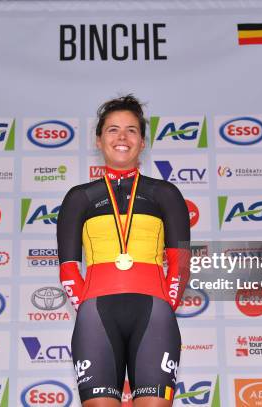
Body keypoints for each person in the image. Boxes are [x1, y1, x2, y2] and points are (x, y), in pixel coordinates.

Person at [57, 95, 190, 406]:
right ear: (99, 140)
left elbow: (180, 265)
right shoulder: (79, 198)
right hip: (96, 316)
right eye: (113, 129)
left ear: (142, 142)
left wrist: (164, 304)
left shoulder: (165, 194)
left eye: (131, 130)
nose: (122, 137)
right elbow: (68, 269)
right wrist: (88, 307)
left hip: (154, 315)